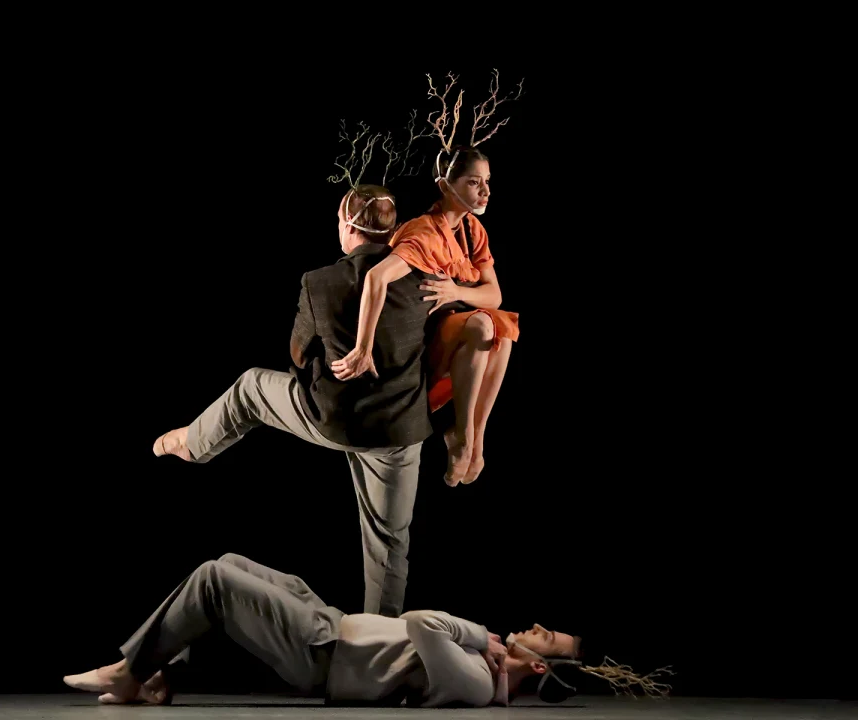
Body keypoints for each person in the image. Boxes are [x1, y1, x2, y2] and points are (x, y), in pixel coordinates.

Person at [151, 184, 438, 618]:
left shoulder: (318, 282)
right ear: (393, 230)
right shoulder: (423, 278)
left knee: (250, 387)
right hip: (397, 430)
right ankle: (380, 651)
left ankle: (192, 443)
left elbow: (298, 353)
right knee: (389, 544)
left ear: (348, 228)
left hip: (331, 418)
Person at [62, 552, 595, 708]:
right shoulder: (482, 667)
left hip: (325, 655)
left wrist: (479, 636)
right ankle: (158, 679)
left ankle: (132, 674)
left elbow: (420, 625)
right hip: (331, 623)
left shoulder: (480, 686)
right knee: (230, 561)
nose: (539, 626)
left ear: (540, 664)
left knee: (214, 580)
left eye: (548, 636)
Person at [331, 146, 519, 487]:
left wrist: (457, 291)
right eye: (475, 182)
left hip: (454, 333)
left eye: (487, 182)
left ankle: (473, 439)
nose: (486, 191)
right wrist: (363, 348)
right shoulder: (424, 233)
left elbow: (495, 295)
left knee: (501, 333)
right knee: (482, 323)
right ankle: (463, 434)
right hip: (418, 344)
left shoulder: (472, 231)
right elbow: (376, 277)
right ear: (445, 187)